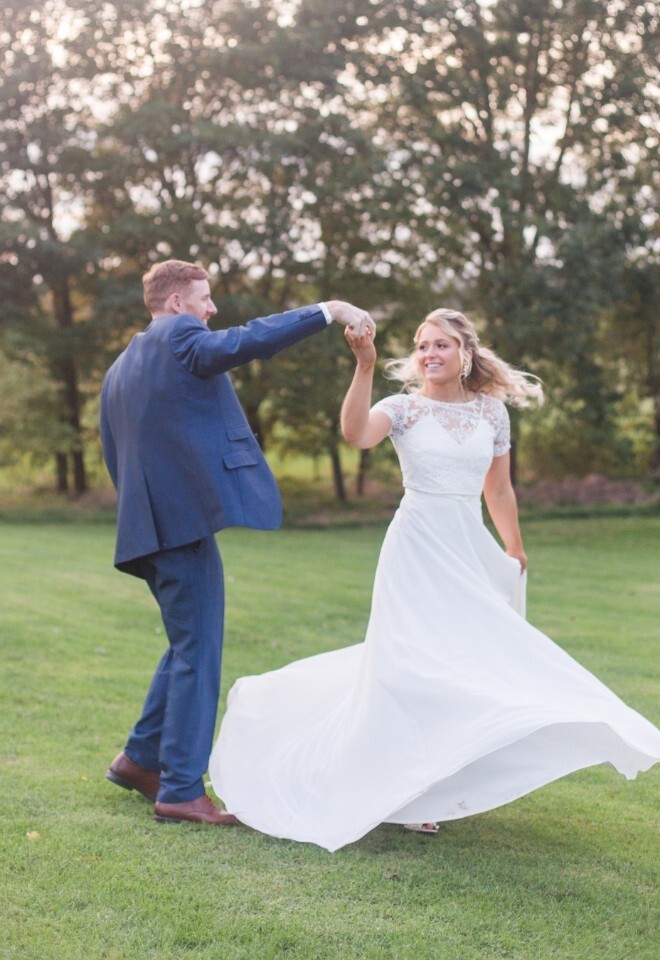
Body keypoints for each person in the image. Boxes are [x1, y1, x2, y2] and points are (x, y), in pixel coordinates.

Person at [209, 308, 660, 850]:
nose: (429, 354)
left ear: (464, 353)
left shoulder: (492, 414)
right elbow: (354, 434)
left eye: (441, 345)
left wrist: (514, 547)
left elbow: (499, 490)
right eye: (423, 346)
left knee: (464, 664)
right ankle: (401, 792)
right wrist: (364, 365)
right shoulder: (402, 408)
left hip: (467, 547)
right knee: (405, 666)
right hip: (415, 544)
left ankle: (431, 784)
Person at [100, 258, 375, 825]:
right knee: (198, 651)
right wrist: (327, 310)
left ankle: (139, 760)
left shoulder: (124, 364)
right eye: (205, 297)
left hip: (149, 527)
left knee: (186, 645)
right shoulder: (180, 335)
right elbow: (243, 342)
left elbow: (115, 451)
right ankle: (179, 789)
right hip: (177, 526)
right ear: (176, 303)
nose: (212, 308)